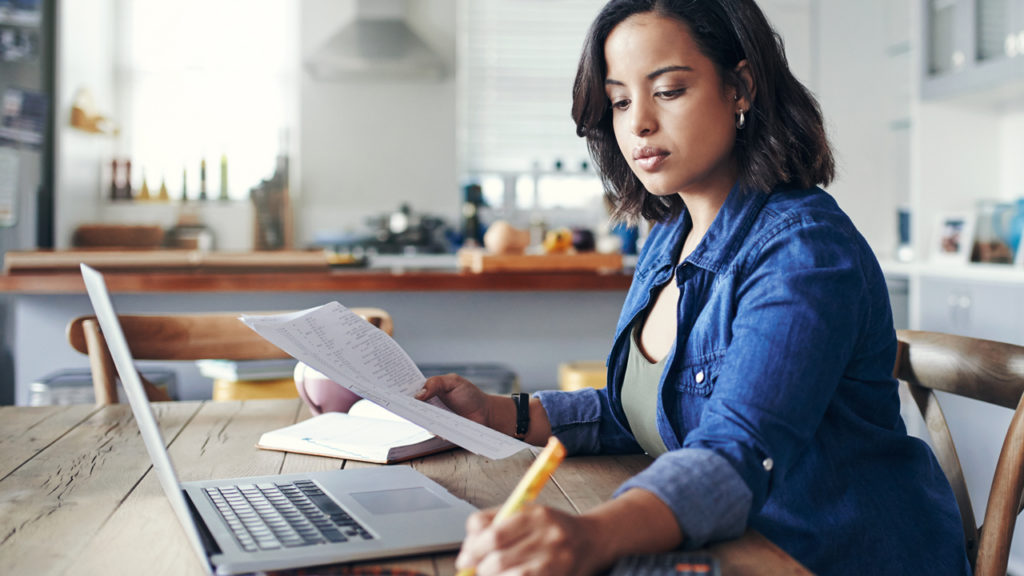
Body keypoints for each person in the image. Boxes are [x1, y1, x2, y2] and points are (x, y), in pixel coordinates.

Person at [417, 1, 970, 574]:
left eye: (669, 90)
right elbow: (644, 410)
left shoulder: (803, 251)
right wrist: (497, 413)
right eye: (621, 101)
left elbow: (735, 451)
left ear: (740, 87)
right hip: (729, 545)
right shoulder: (667, 238)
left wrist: (590, 535)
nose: (638, 124)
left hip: (822, 556)